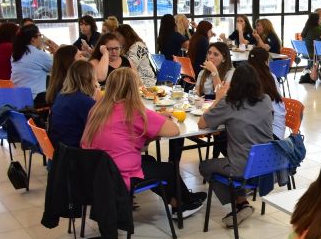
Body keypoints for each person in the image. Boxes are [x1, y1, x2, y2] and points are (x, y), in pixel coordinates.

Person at [82, 68, 205, 217]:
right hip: (118, 175)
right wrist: (158, 120)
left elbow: (126, 137)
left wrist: (153, 123)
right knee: (168, 170)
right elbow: (174, 130)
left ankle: (179, 200)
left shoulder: (97, 108)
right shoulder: (132, 110)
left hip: (95, 171)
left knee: (150, 161)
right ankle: (183, 205)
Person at [197, 64, 274, 225]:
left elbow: (202, 123)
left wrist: (219, 98)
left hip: (242, 167)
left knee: (205, 166)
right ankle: (242, 202)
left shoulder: (229, 103)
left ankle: (238, 203)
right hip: (265, 165)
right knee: (232, 152)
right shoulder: (266, 100)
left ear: (234, 83)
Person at [48, 60, 98, 148]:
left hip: (57, 148)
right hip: (74, 152)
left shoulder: (61, 95)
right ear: (90, 79)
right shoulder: (86, 102)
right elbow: (97, 131)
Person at [247, 47, 286, 140]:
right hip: (276, 130)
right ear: (266, 62)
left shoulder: (250, 78)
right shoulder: (270, 76)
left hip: (269, 134)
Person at [10, 24, 54, 104]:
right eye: (40, 35)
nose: (41, 38)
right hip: (35, 98)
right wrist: (55, 51)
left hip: (17, 98)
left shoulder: (16, 53)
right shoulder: (39, 54)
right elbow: (59, 69)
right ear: (33, 39)